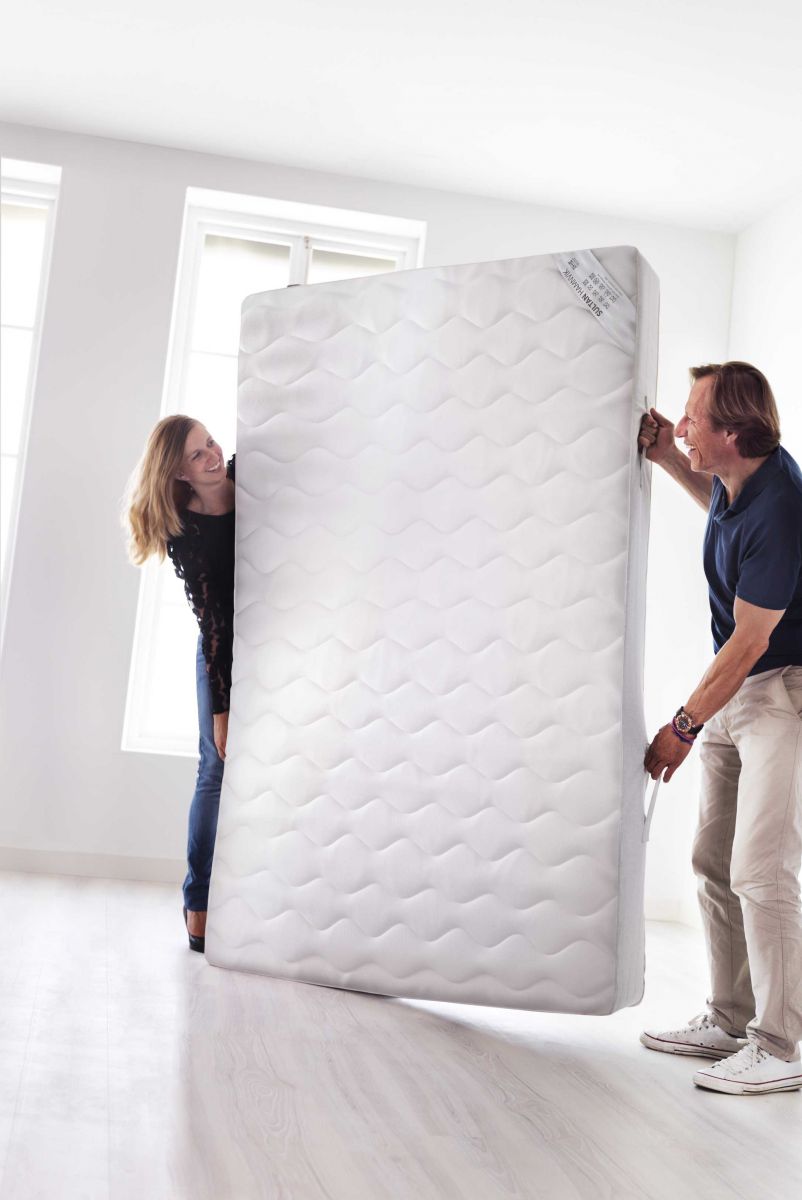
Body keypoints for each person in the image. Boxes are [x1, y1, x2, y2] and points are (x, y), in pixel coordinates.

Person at [638, 361, 802, 1095]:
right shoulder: (739, 482)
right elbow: (715, 501)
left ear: (733, 431)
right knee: (712, 860)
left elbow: (751, 641)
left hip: (782, 694)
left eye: (692, 420)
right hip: (736, 692)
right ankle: (731, 1020)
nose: (680, 426)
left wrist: (683, 725)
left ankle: (782, 1044)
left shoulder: (782, 507)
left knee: (762, 871)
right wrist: (667, 458)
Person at [124, 416, 235, 954]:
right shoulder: (186, 533)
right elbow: (213, 623)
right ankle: (199, 901)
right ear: (180, 473)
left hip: (277, 640)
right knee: (215, 769)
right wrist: (221, 709)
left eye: (210, 442)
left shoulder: (256, 476)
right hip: (221, 649)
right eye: (197, 454)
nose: (212, 455)